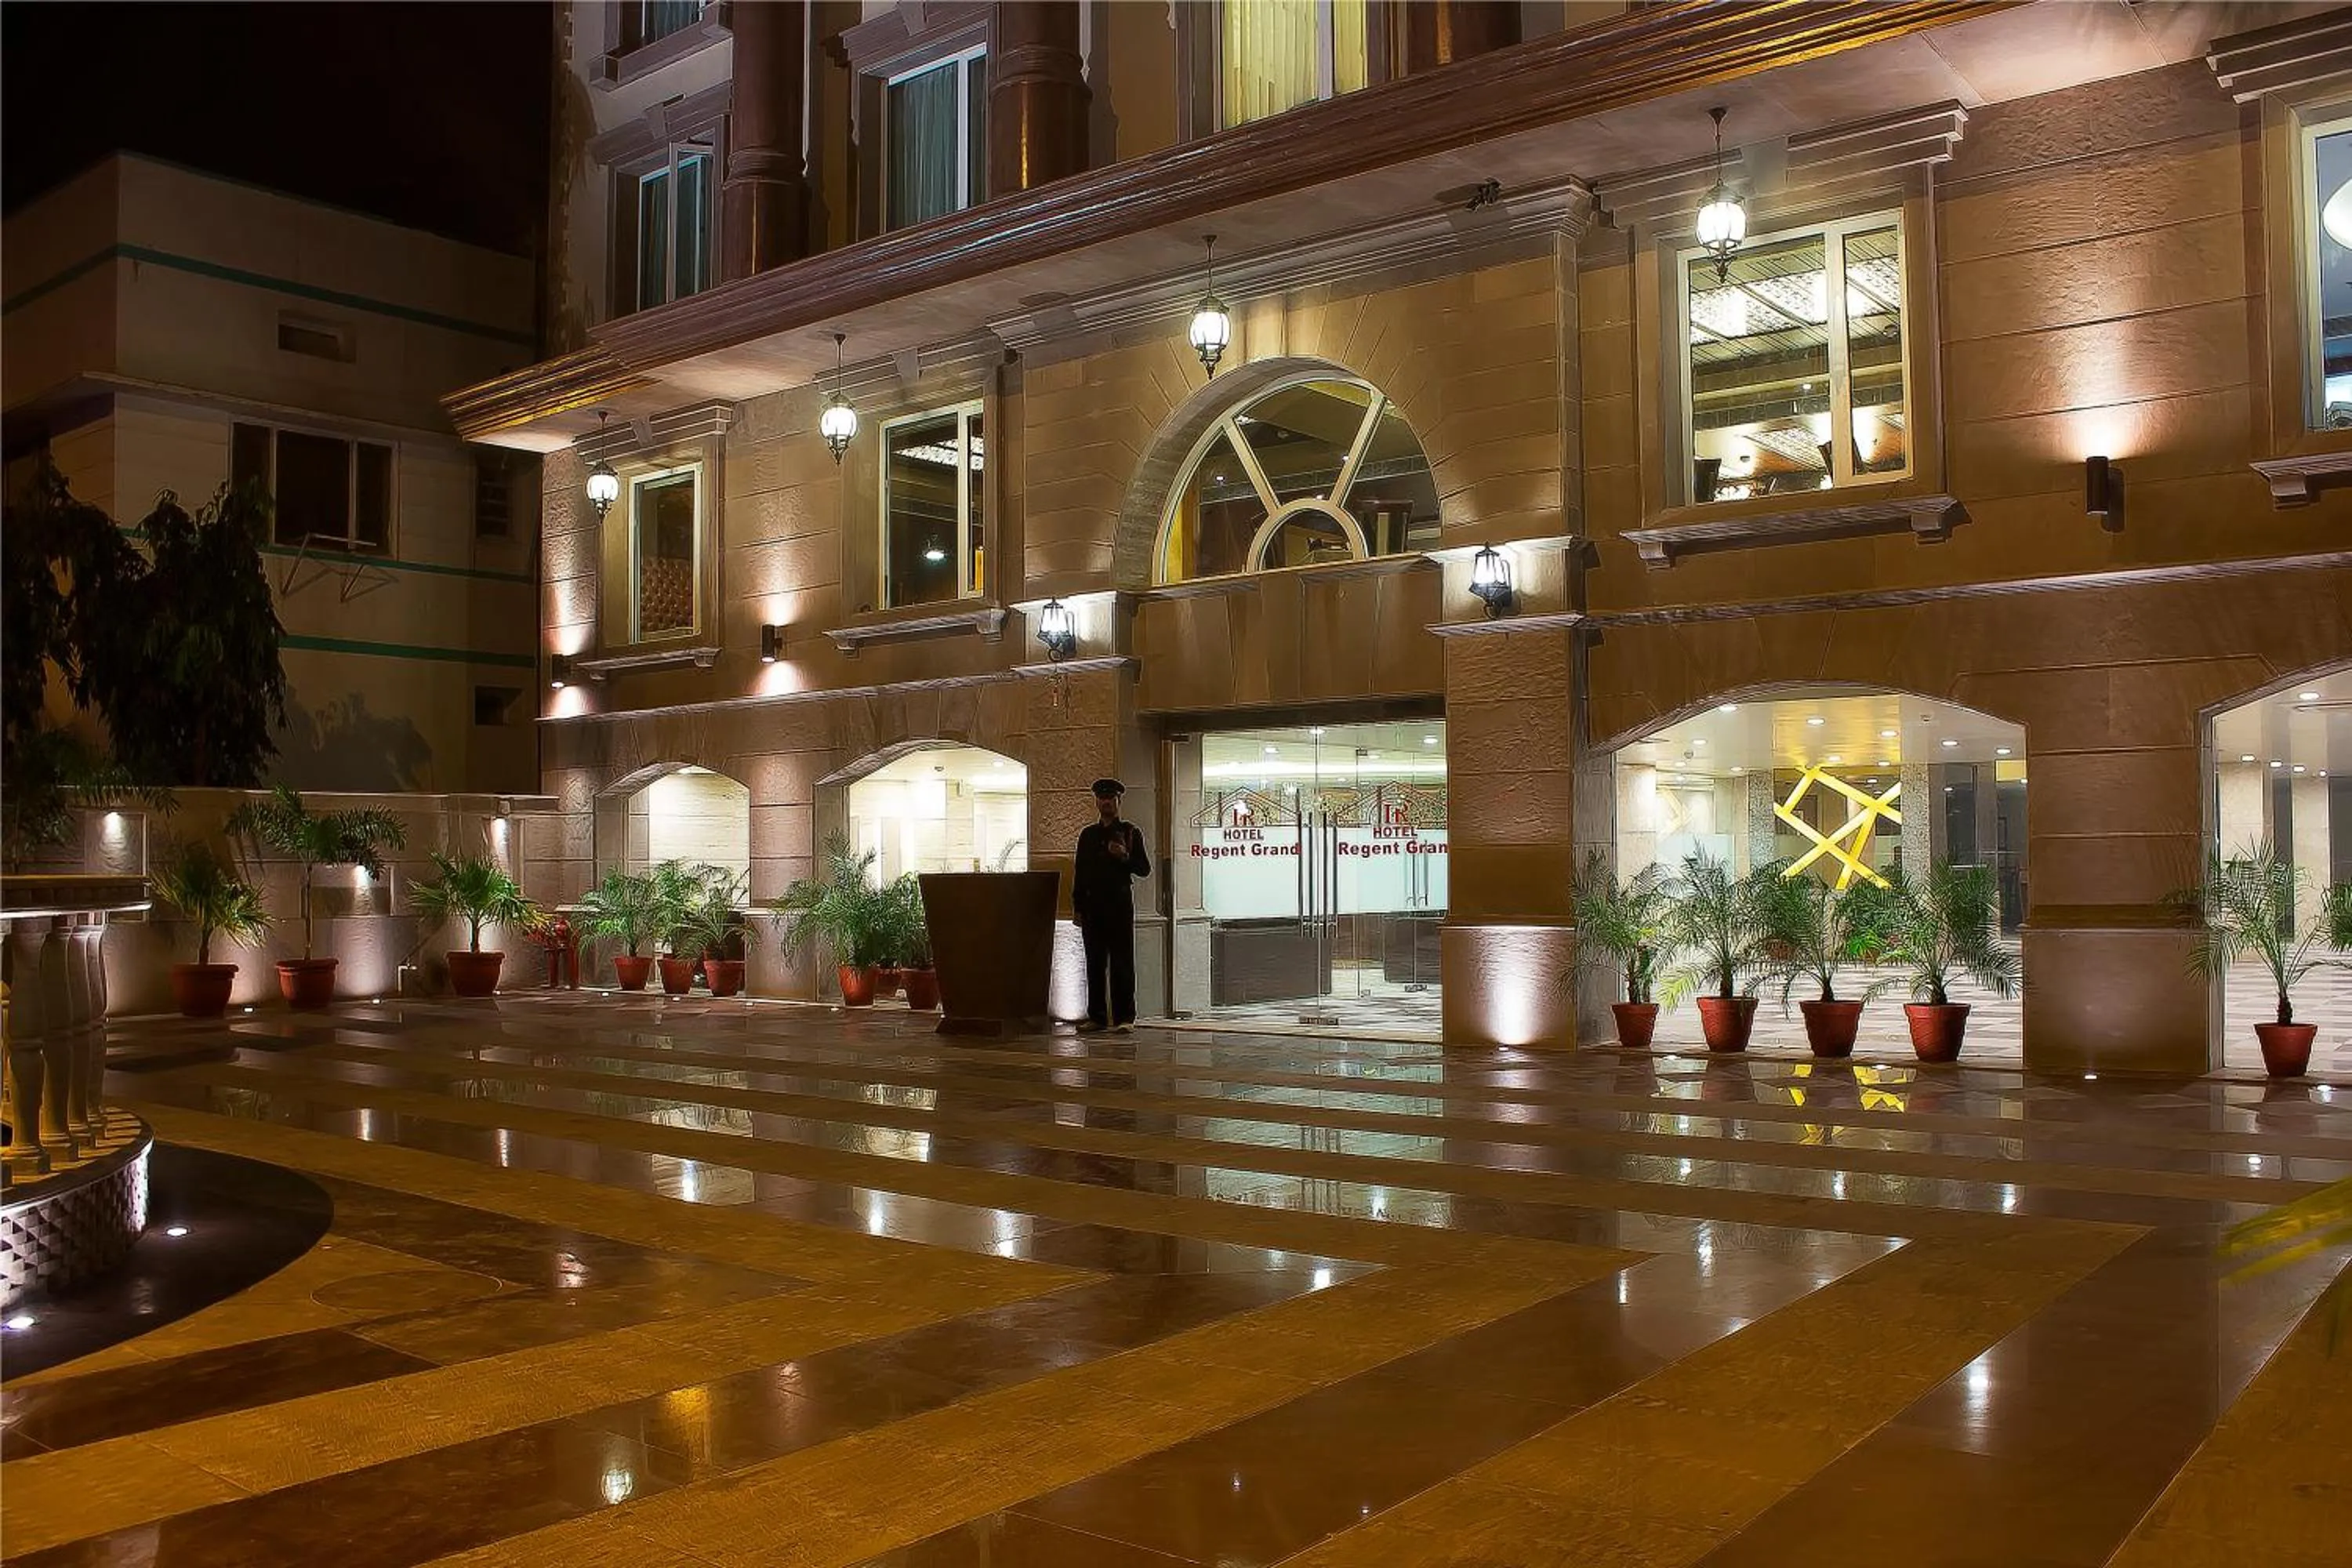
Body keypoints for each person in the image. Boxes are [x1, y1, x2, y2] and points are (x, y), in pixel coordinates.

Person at [1073, 776, 1150, 1033]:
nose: (1106, 802)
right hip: (1093, 907)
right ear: (1097, 802)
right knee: (1094, 962)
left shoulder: (1130, 832)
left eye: (1110, 798)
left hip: (1118, 905)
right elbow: (1080, 873)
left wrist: (1124, 857)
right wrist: (1078, 907)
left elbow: (1144, 869)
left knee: (1122, 963)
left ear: (1118, 801)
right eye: (1102, 798)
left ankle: (1125, 1018)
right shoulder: (1088, 835)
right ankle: (1096, 1016)